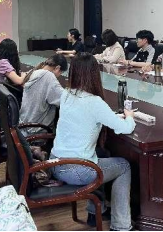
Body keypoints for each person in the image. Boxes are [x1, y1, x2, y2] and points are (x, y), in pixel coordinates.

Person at [50, 53, 135, 232]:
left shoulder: (66, 94)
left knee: (101, 155)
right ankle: (121, 226)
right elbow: (125, 128)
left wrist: (110, 117)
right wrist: (129, 116)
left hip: (56, 164)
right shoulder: (94, 102)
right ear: (94, 74)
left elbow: (84, 118)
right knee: (123, 166)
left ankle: (95, 212)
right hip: (77, 170)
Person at [20, 55, 68, 135]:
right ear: (57, 68)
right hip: (37, 130)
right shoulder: (48, 76)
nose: (59, 75)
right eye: (61, 72)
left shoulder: (34, 72)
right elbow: (65, 100)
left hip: (24, 125)